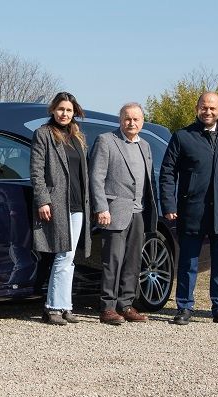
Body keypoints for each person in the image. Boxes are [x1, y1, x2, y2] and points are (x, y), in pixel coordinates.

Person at [159, 91, 218, 326]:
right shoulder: (183, 136)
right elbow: (168, 173)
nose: (208, 111)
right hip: (192, 210)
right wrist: (169, 204)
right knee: (188, 261)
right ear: (197, 109)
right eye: (204, 107)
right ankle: (184, 307)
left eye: (212, 108)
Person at [88, 102, 157, 325]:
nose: (131, 123)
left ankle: (126, 304)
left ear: (142, 122)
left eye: (136, 119)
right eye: (127, 118)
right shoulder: (107, 141)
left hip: (139, 211)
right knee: (112, 261)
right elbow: (96, 177)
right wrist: (101, 207)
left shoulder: (145, 146)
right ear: (120, 120)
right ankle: (107, 307)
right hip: (114, 211)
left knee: (134, 261)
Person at [30, 91, 92, 325]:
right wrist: (42, 200)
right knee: (62, 254)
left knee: (70, 256)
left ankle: (65, 306)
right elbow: (36, 171)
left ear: (74, 111)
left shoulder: (78, 137)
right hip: (56, 203)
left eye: (68, 110)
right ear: (53, 110)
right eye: (60, 109)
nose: (64, 114)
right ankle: (53, 307)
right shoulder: (43, 134)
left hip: (78, 204)